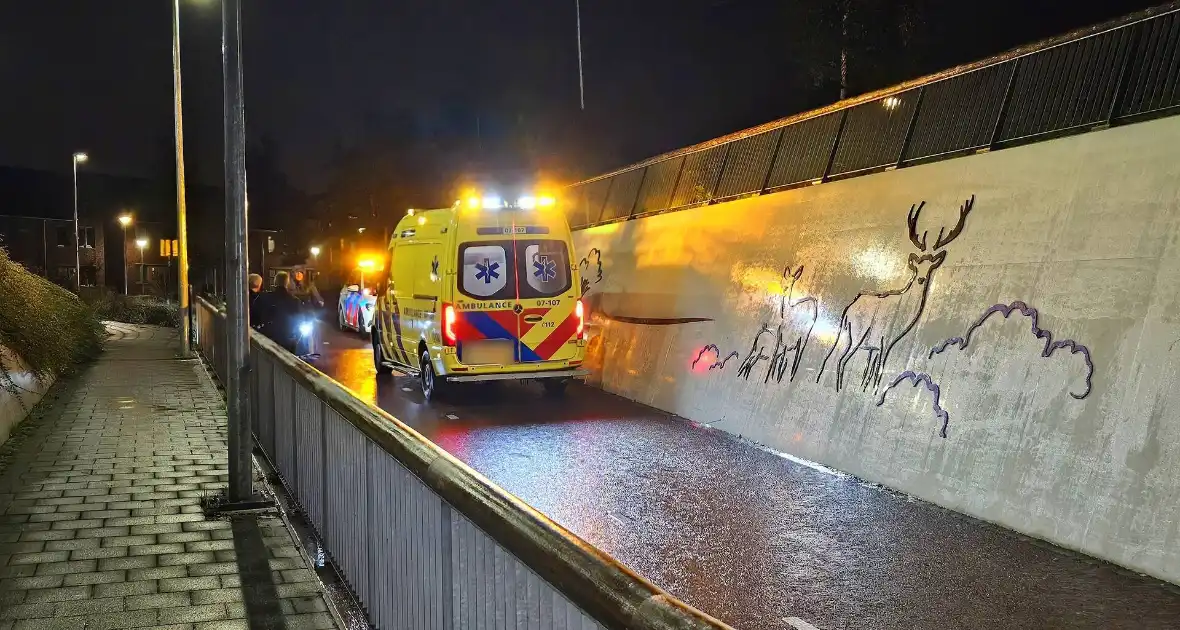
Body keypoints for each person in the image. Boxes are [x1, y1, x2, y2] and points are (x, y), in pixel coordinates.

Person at [254, 271, 303, 352]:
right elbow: (299, 321)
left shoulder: (264, 298)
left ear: (275, 282)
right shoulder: (294, 301)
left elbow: (255, 316)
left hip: (267, 339)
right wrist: (295, 337)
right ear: (287, 283)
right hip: (287, 340)